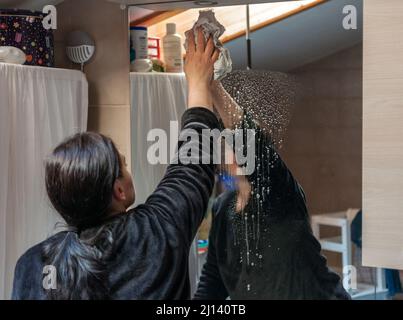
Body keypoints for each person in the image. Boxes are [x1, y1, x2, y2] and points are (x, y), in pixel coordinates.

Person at [12, 28, 221, 300]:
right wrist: (198, 81)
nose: (128, 168)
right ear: (119, 191)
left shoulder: (31, 266)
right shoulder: (153, 232)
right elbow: (194, 159)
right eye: (123, 165)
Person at [194, 82, 351, 300]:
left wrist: (211, 84)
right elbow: (212, 281)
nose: (240, 151)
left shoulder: (278, 191)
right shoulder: (222, 207)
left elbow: (251, 142)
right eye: (230, 144)